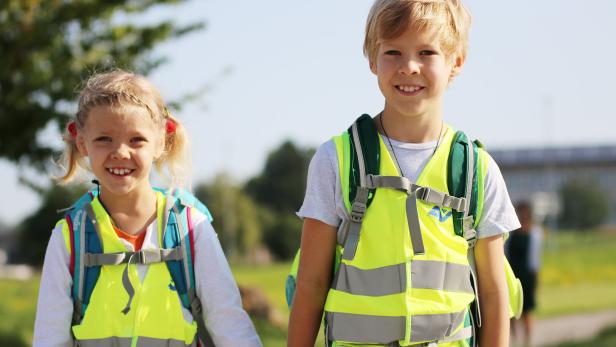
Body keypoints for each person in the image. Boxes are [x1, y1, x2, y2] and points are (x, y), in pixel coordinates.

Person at [287, 1, 521, 346]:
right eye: (393, 52)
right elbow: (311, 282)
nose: (409, 67)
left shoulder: (477, 169)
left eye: (427, 52)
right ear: (372, 59)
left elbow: (493, 291)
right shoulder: (336, 160)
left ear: (456, 61)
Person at [33, 70, 262, 347]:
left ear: (160, 143)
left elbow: (229, 324)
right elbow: (50, 337)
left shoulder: (191, 228)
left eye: (136, 140)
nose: (120, 152)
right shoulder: (69, 237)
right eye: (104, 139)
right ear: (82, 143)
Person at [507, 201, 543, 347]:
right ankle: (514, 341)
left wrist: (536, 280)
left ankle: (527, 342)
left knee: (527, 311)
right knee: (511, 312)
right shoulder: (510, 232)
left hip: (527, 276)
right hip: (512, 275)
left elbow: (534, 259)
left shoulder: (535, 233)